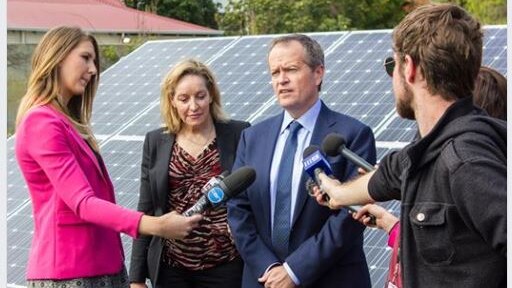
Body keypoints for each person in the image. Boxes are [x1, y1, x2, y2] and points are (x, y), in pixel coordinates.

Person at [313, 4, 506, 287]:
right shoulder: (427, 151)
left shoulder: (464, 161)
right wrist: (336, 192)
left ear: (410, 67)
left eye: (393, 65)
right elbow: (388, 175)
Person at [14, 26, 203, 288]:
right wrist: (157, 226)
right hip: (70, 272)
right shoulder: (42, 122)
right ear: (57, 56)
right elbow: (82, 203)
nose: (93, 70)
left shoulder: (67, 123)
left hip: (103, 268)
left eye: (94, 61)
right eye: (85, 58)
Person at [227, 34, 376, 288]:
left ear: (318, 74)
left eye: (291, 70)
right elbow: (238, 209)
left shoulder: (352, 135)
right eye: (275, 72)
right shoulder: (252, 137)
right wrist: (269, 267)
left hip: (331, 278)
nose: (281, 80)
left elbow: (351, 217)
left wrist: (295, 271)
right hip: (265, 279)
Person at [129, 59, 250, 288]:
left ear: (211, 95)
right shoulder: (156, 141)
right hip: (171, 269)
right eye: (184, 99)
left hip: (227, 266)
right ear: (172, 100)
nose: (193, 106)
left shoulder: (239, 133)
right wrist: (136, 278)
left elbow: (252, 194)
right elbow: (146, 208)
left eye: (200, 96)